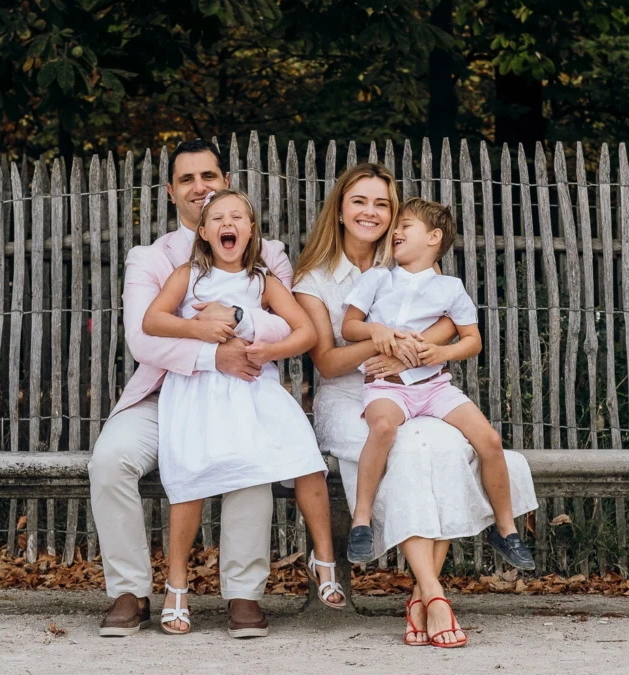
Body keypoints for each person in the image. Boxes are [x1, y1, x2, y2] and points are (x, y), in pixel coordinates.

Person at [292, 163, 538, 648]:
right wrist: (381, 346)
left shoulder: (409, 256)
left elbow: (451, 323)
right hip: (350, 395)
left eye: (382, 204)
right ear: (339, 209)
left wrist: (414, 350)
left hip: (418, 384)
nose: (371, 212)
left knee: (446, 449)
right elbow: (327, 362)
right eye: (359, 201)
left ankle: (421, 599)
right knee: (406, 452)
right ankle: (433, 593)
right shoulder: (314, 278)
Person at [89, 140, 297, 639]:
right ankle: (130, 589)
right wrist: (212, 354)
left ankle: (243, 593)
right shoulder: (151, 257)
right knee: (110, 460)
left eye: (209, 176)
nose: (200, 187)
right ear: (171, 192)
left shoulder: (268, 254)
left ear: (225, 181)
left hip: (241, 393)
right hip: (166, 394)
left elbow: (288, 331)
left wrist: (244, 327)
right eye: (187, 179)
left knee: (251, 461)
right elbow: (143, 338)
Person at [142, 188, 345, 635]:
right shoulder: (187, 275)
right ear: (204, 230)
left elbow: (307, 331)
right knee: (190, 477)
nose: (227, 224)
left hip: (255, 389)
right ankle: (177, 586)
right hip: (200, 390)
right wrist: (197, 326)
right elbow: (152, 321)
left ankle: (323, 559)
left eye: (237, 217)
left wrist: (267, 349)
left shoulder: (265, 280)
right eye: (217, 218)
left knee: (305, 459)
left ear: (251, 230)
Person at [341, 197, 536, 584]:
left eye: (405, 226)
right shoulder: (377, 279)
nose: (395, 231)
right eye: (396, 226)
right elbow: (349, 327)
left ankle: (505, 528)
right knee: (381, 429)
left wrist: (441, 351)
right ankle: (361, 520)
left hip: (434, 386)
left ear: (433, 237)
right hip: (387, 386)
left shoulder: (450, 287)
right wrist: (376, 331)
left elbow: (472, 340)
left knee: (490, 440)